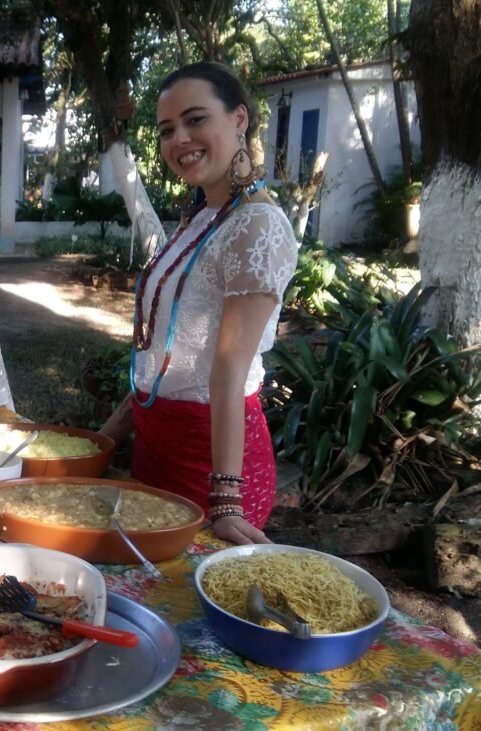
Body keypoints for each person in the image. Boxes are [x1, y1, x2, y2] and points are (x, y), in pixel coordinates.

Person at [99, 62, 298, 546]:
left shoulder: (257, 226)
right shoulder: (204, 217)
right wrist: (99, 443)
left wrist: (225, 501)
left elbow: (228, 370)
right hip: (155, 449)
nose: (180, 139)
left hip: (210, 468)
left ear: (239, 119)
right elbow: (163, 355)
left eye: (195, 119)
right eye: (167, 130)